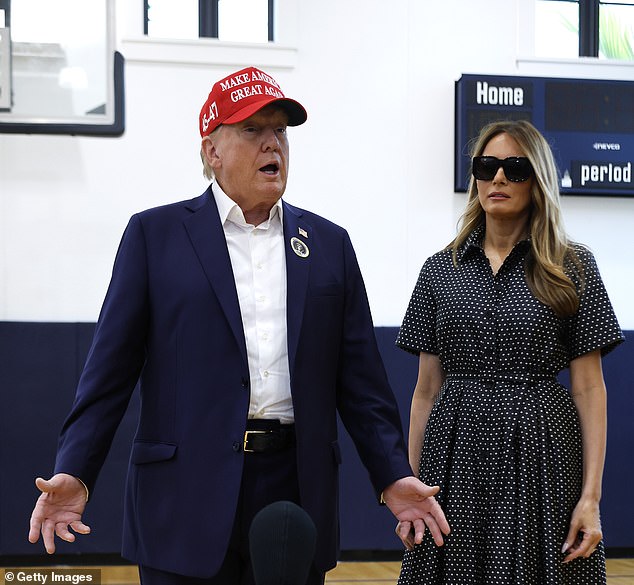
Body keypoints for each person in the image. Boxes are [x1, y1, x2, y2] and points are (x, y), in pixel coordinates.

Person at [27, 66, 450, 585]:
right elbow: (108, 374)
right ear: (212, 151)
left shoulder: (329, 245)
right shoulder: (154, 236)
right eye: (252, 130)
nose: (273, 142)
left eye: (281, 132)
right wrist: (76, 470)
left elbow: (363, 385)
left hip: (294, 492)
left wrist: (393, 475)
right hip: (182, 497)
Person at [395, 120, 624, 584]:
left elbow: (589, 389)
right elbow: (425, 392)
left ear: (536, 179)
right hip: (454, 457)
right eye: (487, 166)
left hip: (542, 455)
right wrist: (412, 488)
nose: (498, 178)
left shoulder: (573, 266)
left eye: (515, 168)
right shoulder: (440, 270)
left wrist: (591, 498)